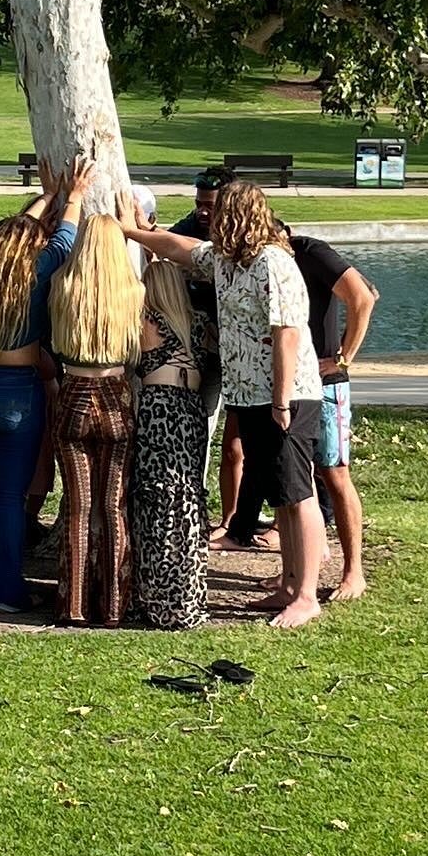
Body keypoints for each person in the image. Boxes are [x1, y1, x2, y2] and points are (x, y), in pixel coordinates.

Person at [122, 181, 325, 628]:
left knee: (298, 493)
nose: (210, 219)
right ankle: (287, 583)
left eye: (221, 213)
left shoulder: (274, 262)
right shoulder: (225, 260)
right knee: (280, 492)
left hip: (286, 396)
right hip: (248, 395)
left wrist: (281, 401)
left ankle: (307, 594)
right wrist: (135, 231)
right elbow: (178, 248)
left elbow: (287, 333)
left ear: (240, 217)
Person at [0, 156, 94, 614]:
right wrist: (73, 196)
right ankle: (7, 591)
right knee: (11, 497)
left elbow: (11, 232)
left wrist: (46, 196)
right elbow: (65, 239)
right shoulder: (35, 271)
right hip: (15, 390)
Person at [224, 230, 377, 600]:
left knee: (334, 473)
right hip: (291, 385)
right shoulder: (260, 263)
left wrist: (343, 358)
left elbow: (363, 296)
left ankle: (353, 571)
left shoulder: (310, 252)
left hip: (326, 383)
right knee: (291, 475)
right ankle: (295, 570)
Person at [50, 214, 144, 627]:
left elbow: (53, 344)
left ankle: (73, 604)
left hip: (74, 387)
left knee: (79, 505)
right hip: (115, 391)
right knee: (113, 505)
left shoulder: (63, 286)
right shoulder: (133, 291)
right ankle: (114, 605)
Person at [131, 259, 209, 629]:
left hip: (158, 409)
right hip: (191, 410)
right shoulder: (199, 323)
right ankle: (187, 591)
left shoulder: (145, 321)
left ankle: (154, 592)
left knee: (153, 498)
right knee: (187, 496)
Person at [170, 167, 236, 506]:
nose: (203, 212)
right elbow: (168, 244)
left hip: (245, 353)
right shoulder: (192, 226)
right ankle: (193, 496)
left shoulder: (249, 234)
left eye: (210, 205)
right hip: (206, 350)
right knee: (201, 423)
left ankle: (239, 513)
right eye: (199, 204)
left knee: (242, 442)